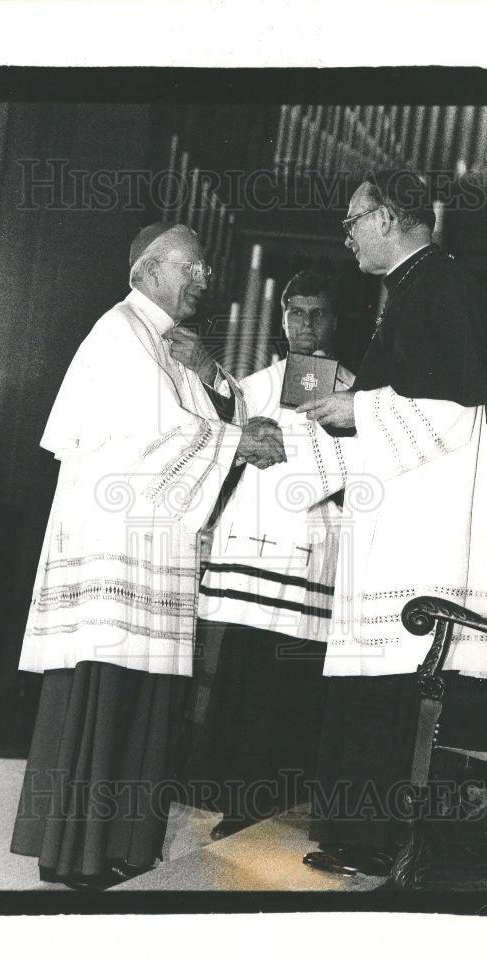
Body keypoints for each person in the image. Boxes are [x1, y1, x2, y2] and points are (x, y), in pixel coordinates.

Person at [10, 221, 286, 890]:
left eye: (204, 269)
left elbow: (210, 410)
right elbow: (155, 429)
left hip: (153, 545)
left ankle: (127, 843)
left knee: (152, 691)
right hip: (115, 547)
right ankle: (74, 848)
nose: (204, 278)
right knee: (105, 687)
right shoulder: (119, 332)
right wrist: (233, 444)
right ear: (148, 272)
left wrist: (223, 412)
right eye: (191, 266)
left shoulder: (167, 341)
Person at [283, 171, 487, 878]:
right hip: (395, 517)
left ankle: (376, 838)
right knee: (371, 678)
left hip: (422, 531)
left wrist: (361, 410)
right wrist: (356, 400)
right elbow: (415, 392)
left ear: (388, 218)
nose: (345, 234)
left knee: (391, 680)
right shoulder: (413, 288)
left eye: (353, 220)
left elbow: (464, 409)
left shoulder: (446, 286)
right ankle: (357, 834)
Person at [179, 271, 355, 839]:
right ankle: (226, 787)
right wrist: (237, 435)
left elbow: (339, 463)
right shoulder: (259, 381)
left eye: (316, 314)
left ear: (335, 320)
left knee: (283, 676)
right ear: (281, 317)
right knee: (242, 668)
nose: (304, 325)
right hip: (251, 546)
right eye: (295, 313)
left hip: (304, 549)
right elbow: (224, 423)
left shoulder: (350, 388)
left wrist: (273, 447)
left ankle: (269, 796)